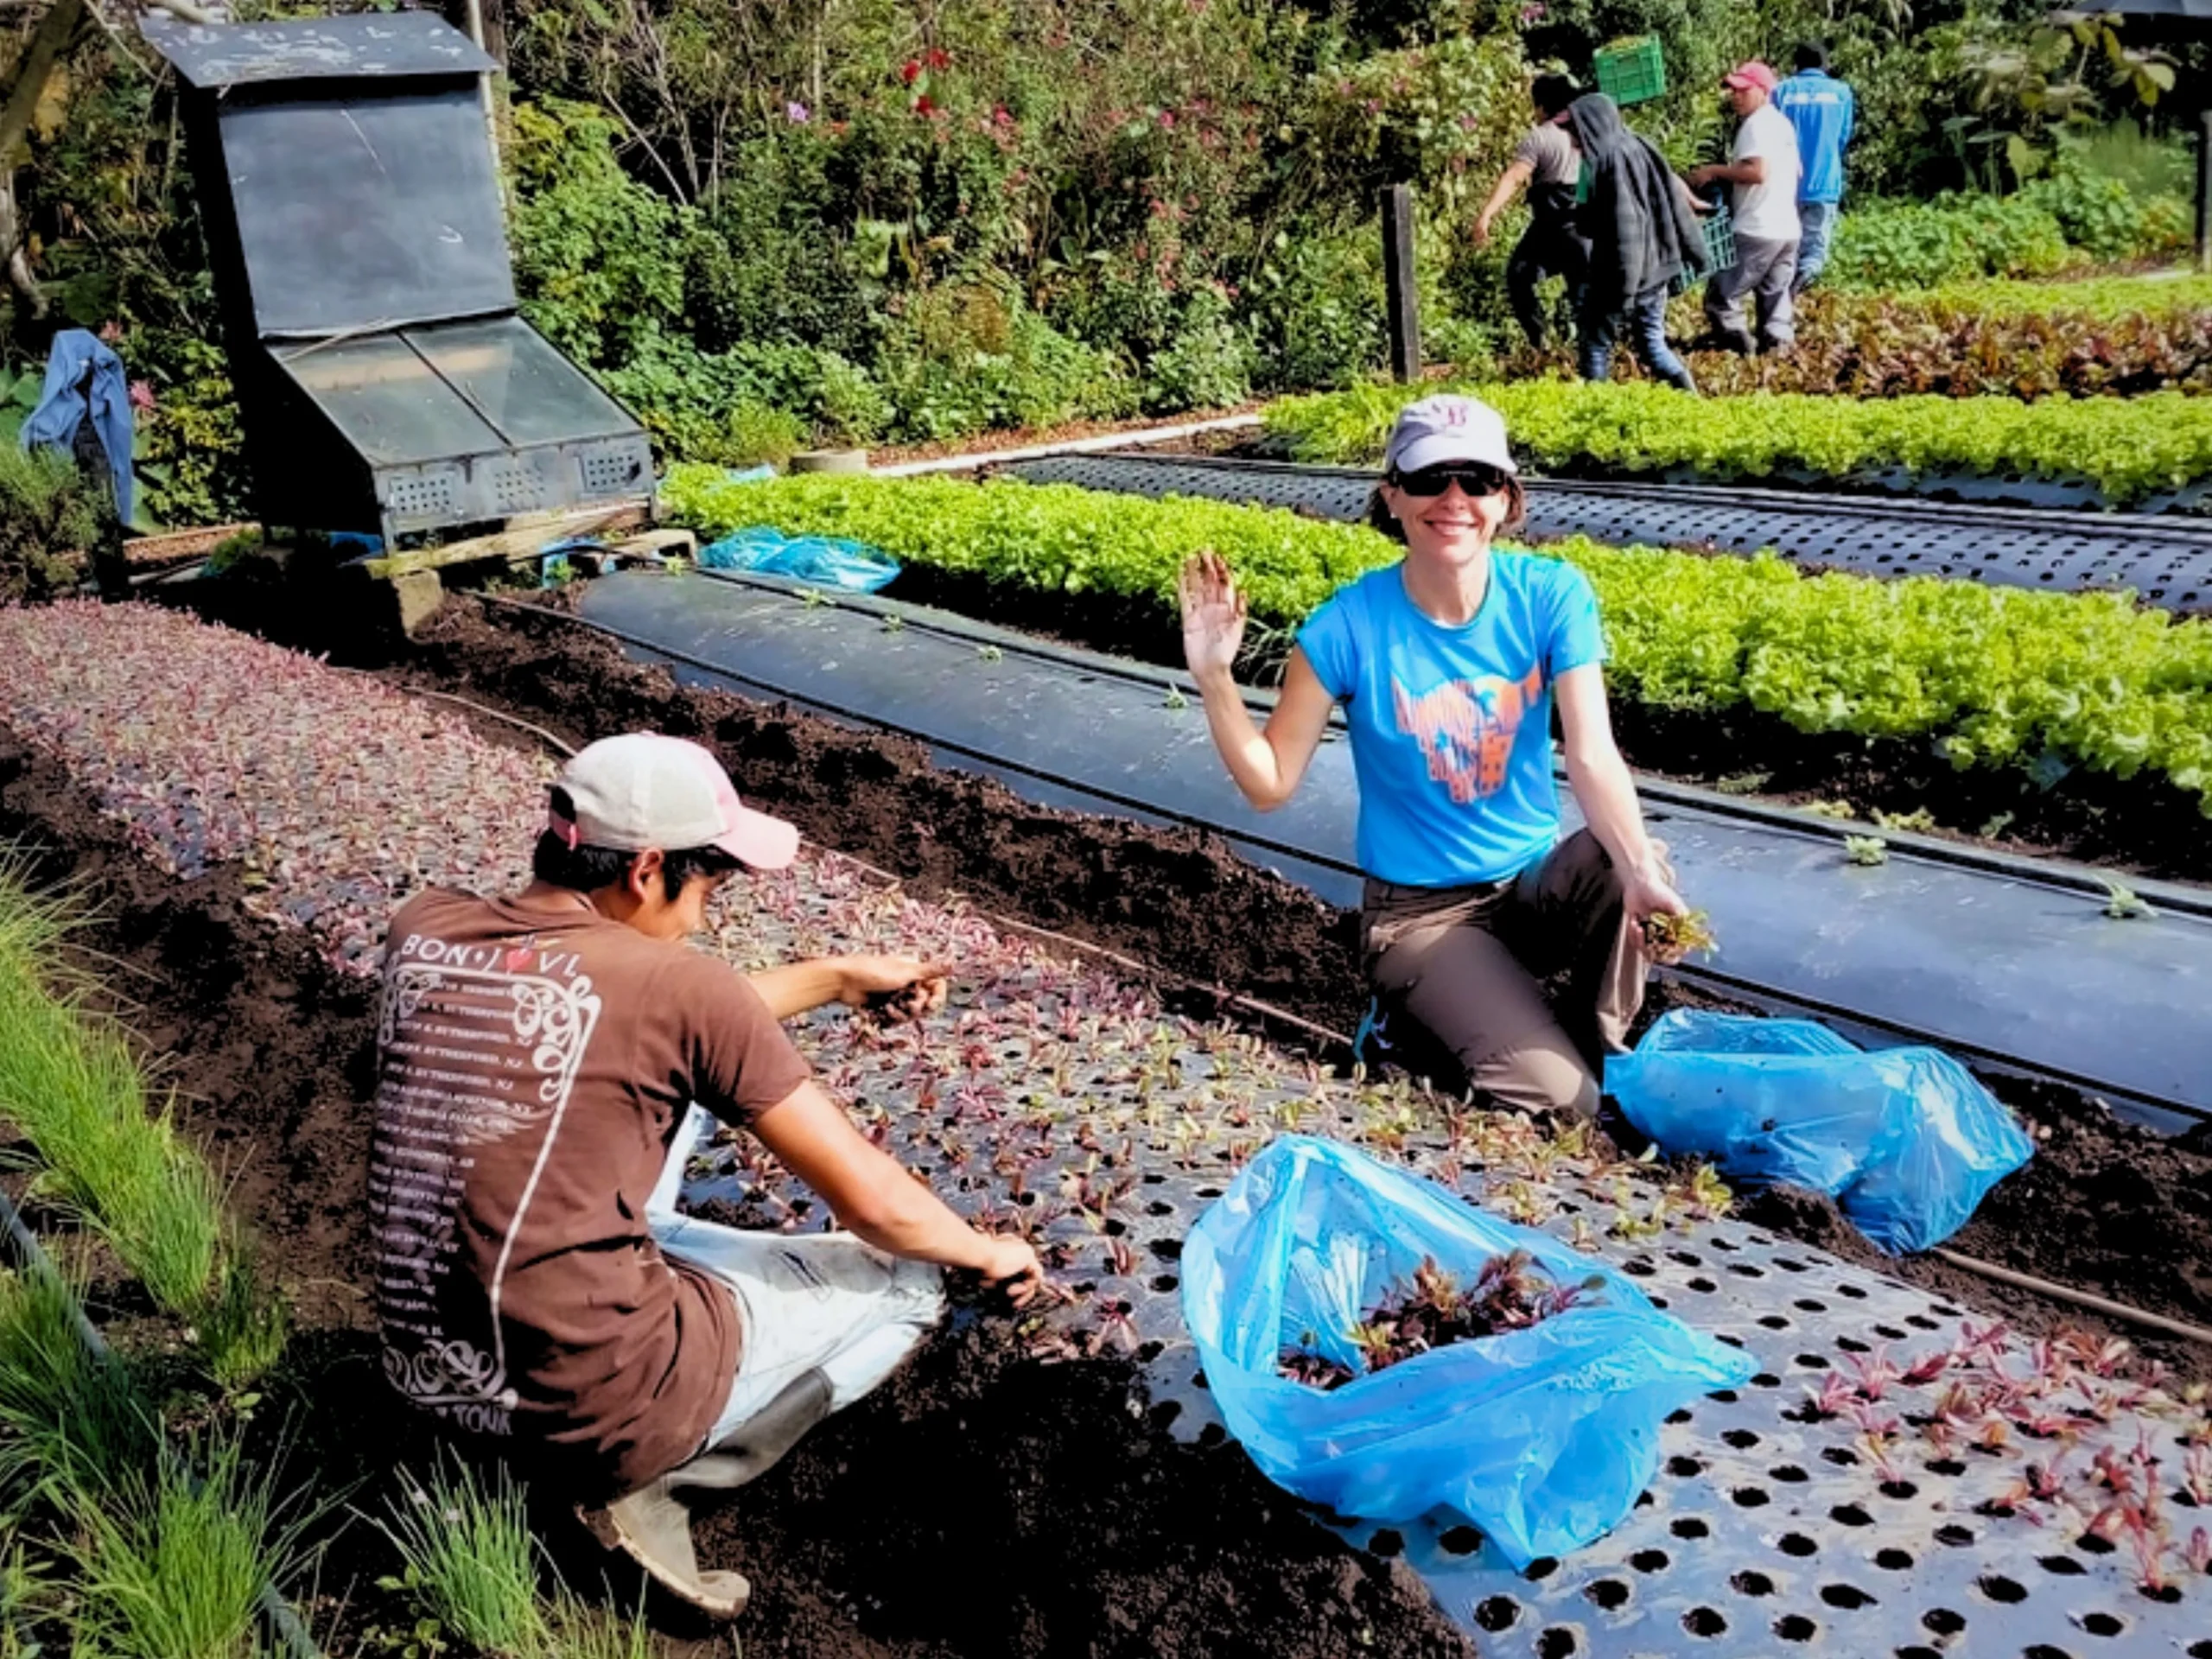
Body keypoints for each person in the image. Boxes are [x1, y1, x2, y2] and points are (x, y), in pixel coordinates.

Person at [367, 733, 1043, 1618]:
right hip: (582, 1405)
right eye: (707, 890)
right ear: (647, 871)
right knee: (916, 1272)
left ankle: (581, 1425)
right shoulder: (681, 989)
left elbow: (644, 1018)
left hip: (425, 1370)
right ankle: (658, 1482)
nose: (702, 921)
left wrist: (837, 978)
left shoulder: (425, 927)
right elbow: (872, 1201)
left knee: (664, 1098)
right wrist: (988, 1251)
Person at [1178, 395, 1692, 1122]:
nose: (1454, 500)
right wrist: (1214, 676)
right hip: (1424, 917)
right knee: (1563, 1106)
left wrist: (1639, 872)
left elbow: (1593, 753)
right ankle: (1413, 1023)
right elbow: (1270, 784)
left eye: (1477, 481)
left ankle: (1594, 1049)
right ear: (1392, 495)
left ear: (1507, 500)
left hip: (1530, 886)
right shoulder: (1348, 627)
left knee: (1633, 861)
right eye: (1429, 479)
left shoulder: (1550, 597)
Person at [1564, 92, 1703, 393]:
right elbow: (1674, 201)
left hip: (1622, 275)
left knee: (1595, 344)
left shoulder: (1600, 163)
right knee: (1652, 343)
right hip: (1657, 270)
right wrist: (1696, 252)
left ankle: (1595, 408)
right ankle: (1692, 399)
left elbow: (1619, 230)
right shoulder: (1640, 145)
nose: (1572, 138)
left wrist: (1624, 292)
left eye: (1574, 130)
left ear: (1591, 126)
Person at [1689, 61, 1802, 354]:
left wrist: (1714, 171)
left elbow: (1757, 172)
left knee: (1722, 295)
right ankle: (1778, 350)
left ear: (1763, 91)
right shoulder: (1781, 124)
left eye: (1743, 90)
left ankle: (1739, 346)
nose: (1735, 96)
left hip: (1757, 227)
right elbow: (1797, 171)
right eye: (1733, 90)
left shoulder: (1757, 125)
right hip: (1787, 229)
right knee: (1775, 297)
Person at [1474, 73, 1592, 353]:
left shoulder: (1540, 138)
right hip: (1586, 228)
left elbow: (1514, 177)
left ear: (1540, 106)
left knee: (1519, 275)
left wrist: (1487, 214)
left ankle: (1542, 344)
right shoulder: (1588, 132)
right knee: (1581, 292)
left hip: (1551, 229)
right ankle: (1586, 355)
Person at [1772, 41, 1854, 294]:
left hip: (1785, 184)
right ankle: (1798, 289)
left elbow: (1770, 135)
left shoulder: (1782, 91)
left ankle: (1783, 298)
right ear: (1825, 64)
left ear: (1796, 64)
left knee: (1785, 248)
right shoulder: (1841, 93)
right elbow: (1842, 137)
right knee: (1814, 251)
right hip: (1823, 182)